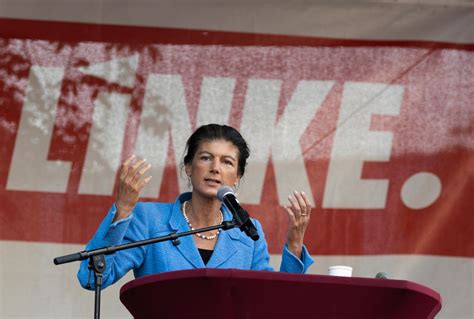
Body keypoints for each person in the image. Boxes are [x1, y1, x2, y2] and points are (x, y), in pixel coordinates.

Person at [78, 124, 313, 290]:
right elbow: (92, 278)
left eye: (227, 162)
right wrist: (124, 209)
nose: (215, 168)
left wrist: (294, 242)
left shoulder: (248, 232)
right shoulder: (149, 219)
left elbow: (270, 303)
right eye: (205, 158)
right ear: (189, 167)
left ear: (237, 176)